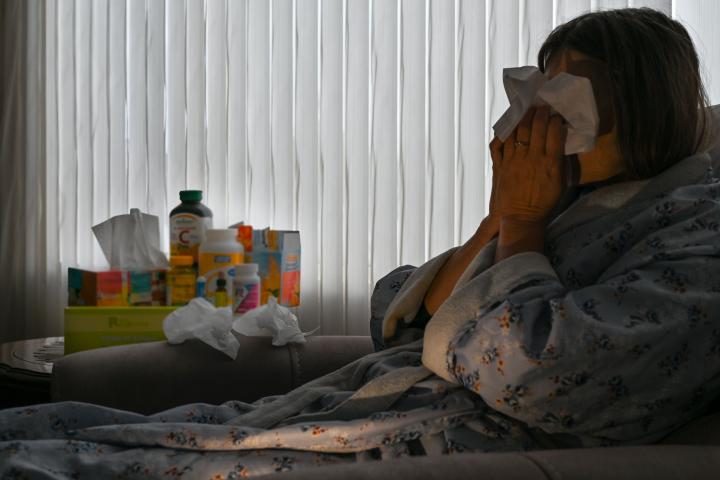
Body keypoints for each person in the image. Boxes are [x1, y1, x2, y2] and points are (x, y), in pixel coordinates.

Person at [2, 8, 719, 478]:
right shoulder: (576, 205)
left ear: (644, 100)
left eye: (569, 92)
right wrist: (503, 217)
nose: (539, 117)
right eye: (539, 90)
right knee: (48, 430)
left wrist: (525, 226)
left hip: (429, 448)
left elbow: (544, 374)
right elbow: (402, 321)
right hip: (351, 412)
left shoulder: (698, 230)